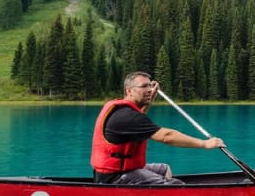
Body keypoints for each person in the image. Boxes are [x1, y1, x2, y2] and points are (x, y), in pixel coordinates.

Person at [90, 71, 225, 184]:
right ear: (129, 91)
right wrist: (204, 143)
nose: (149, 89)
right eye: (144, 86)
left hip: (116, 172)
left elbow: (139, 120)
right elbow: (166, 137)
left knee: (164, 170)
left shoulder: (127, 113)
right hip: (115, 178)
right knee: (176, 185)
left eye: (150, 86)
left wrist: (150, 98)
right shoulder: (127, 116)